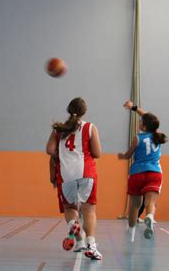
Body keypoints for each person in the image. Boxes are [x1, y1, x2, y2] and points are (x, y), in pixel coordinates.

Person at [46, 97, 102, 260]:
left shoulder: (59, 129)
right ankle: (91, 245)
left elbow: (49, 150)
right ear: (84, 111)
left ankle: (75, 232)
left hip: (66, 174)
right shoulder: (90, 127)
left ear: (69, 110)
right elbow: (97, 153)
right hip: (86, 172)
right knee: (89, 210)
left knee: (70, 208)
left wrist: (64, 154)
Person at [118, 101, 167, 241]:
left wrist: (121, 156)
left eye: (140, 122)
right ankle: (150, 216)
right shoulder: (158, 136)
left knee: (134, 206)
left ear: (144, 126)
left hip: (137, 174)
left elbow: (128, 155)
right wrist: (134, 107)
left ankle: (131, 234)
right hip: (154, 173)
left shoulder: (138, 138)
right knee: (150, 203)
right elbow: (150, 118)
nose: (139, 122)